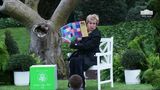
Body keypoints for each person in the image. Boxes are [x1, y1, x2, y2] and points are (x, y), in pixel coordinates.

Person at [68, 14, 101, 89]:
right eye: (90, 23)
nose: (92, 25)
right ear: (87, 23)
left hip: (92, 56)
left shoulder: (97, 34)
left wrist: (76, 43)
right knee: (73, 60)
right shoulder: (83, 31)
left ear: (96, 24)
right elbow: (74, 44)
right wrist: (75, 40)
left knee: (78, 61)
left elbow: (86, 46)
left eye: (94, 23)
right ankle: (73, 84)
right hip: (82, 55)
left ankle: (80, 85)